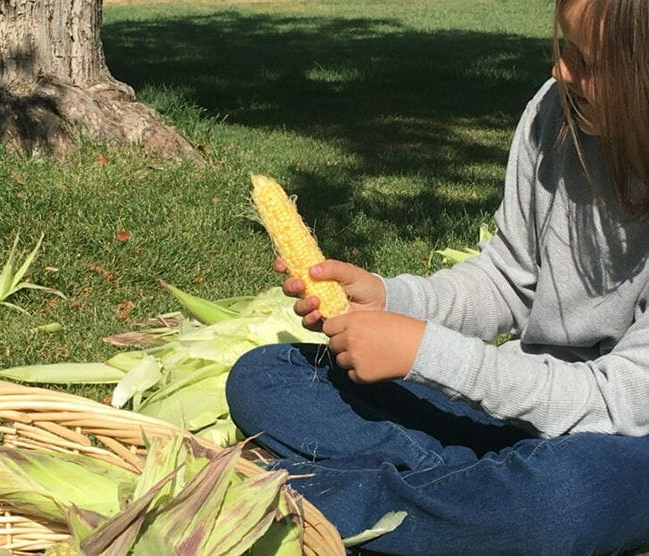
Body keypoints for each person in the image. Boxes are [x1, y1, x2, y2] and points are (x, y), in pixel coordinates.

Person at [226, 0, 649, 553]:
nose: (561, 72)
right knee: (268, 376)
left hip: (623, 439)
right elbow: (508, 278)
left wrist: (429, 354)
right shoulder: (557, 112)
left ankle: (324, 503)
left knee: (566, 497)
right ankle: (461, 501)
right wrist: (390, 300)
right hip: (517, 410)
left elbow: (622, 403)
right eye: (565, 48)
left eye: (591, 62)